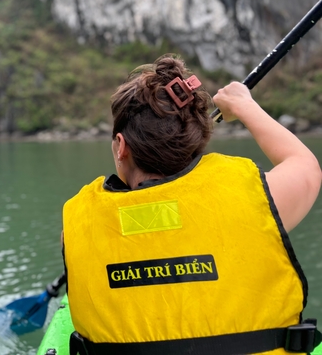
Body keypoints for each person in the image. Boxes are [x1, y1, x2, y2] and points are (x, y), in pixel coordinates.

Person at [62, 54, 322, 355]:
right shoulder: (260, 200)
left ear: (121, 146)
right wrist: (244, 106)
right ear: (194, 142)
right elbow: (304, 164)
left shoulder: (76, 225)